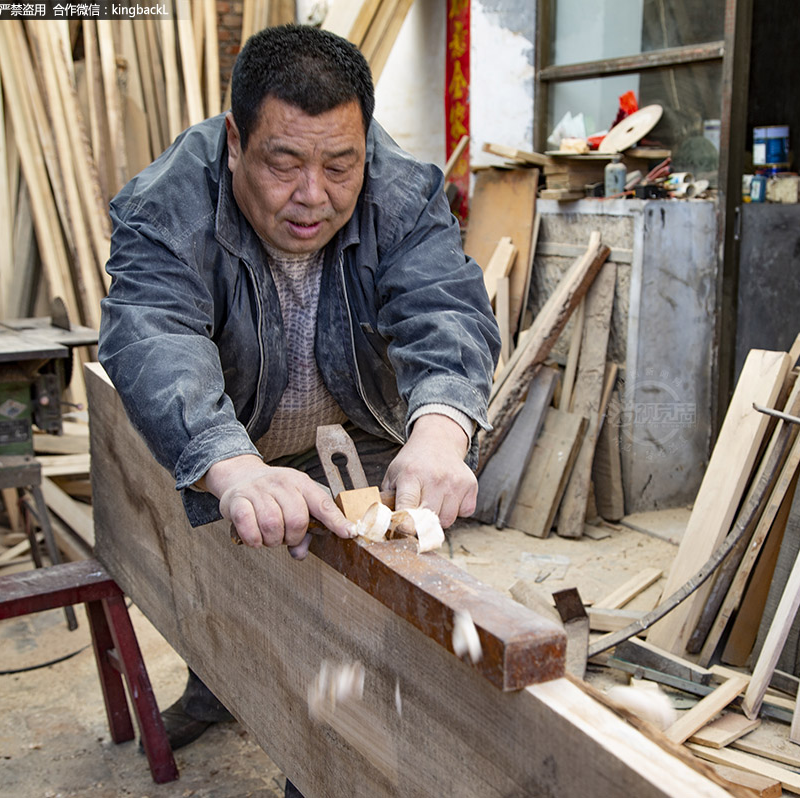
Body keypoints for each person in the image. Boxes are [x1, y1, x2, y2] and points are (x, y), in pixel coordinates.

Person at [96, 21, 500, 785]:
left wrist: (443, 434)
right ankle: (215, 683)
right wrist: (233, 468)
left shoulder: (402, 188)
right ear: (233, 141)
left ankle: (324, 767)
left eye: (340, 166)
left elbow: (444, 309)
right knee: (232, 577)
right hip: (237, 425)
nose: (313, 196)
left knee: (368, 615)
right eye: (282, 164)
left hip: (360, 422)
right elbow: (154, 340)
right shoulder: (166, 206)